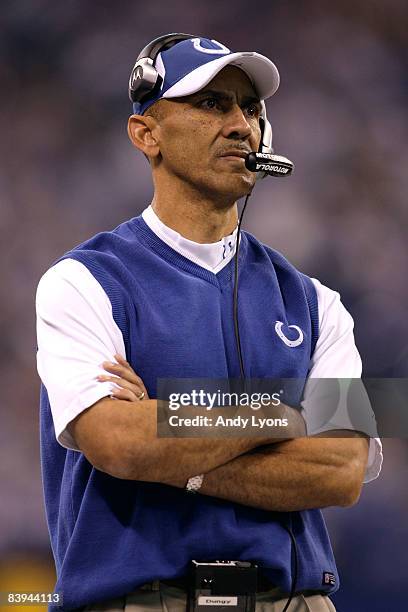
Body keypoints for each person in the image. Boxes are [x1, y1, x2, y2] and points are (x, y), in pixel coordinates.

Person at [36, 34, 382, 612]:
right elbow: (116, 443)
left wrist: (171, 450)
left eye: (251, 109)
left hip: (295, 601)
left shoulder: (317, 302)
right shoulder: (82, 282)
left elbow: (341, 471)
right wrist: (284, 409)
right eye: (211, 104)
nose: (242, 125)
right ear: (146, 134)